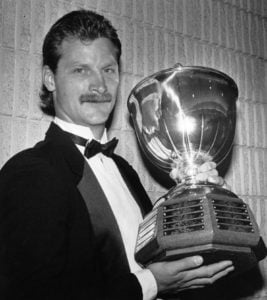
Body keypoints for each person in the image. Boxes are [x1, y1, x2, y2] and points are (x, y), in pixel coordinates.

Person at [0, 10, 235, 300]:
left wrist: (202, 198)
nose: (99, 85)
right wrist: (149, 284)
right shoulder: (29, 173)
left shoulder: (124, 169)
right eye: (80, 70)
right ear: (50, 79)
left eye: (108, 69)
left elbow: (159, 260)